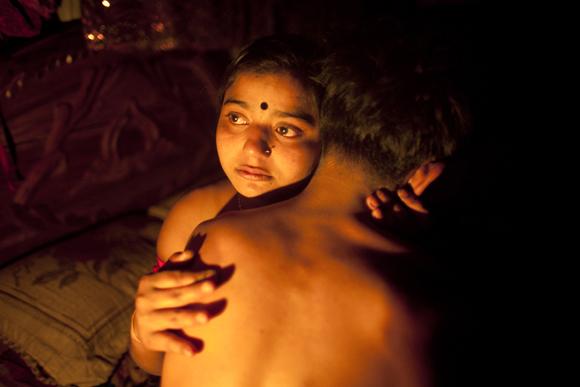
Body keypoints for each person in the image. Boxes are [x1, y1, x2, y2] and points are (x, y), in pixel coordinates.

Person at [158, 29, 470, 386]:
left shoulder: (214, 236)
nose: (254, 148)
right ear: (427, 174)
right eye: (236, 118)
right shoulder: (419, 304)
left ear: (326, 130)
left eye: (287, 129)